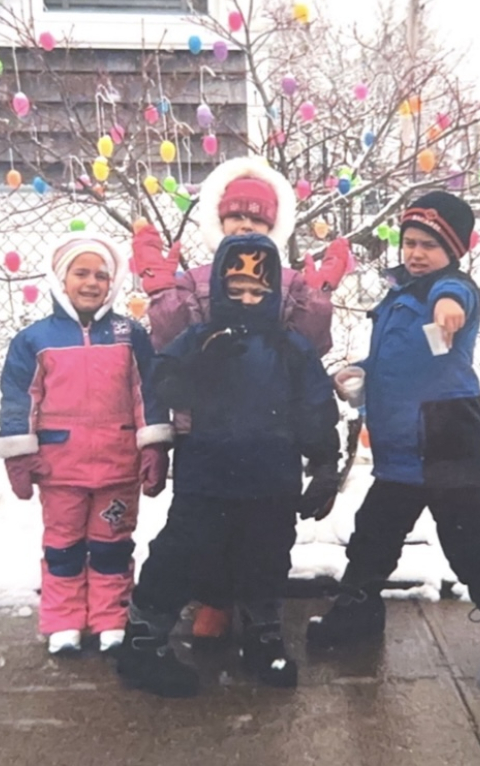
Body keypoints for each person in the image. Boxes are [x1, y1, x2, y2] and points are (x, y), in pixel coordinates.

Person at [305, 191, 480, 696]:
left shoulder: (451, 289)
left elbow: (456, 296)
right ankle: (360, 610)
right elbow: (398, 360)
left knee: (470, 542)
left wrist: (448, 303)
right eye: (409, 242)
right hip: (398, 445)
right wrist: (360, 371)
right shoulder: (398, 295)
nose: (415, 253)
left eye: (428, 245)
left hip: (448, 437)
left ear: (452, 248)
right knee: (373, 534)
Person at [131, 156, 349, 644]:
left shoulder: (290, 283)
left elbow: (310, 355)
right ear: (219, 219)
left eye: (257, 219)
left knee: (263, 541)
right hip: (205, 432)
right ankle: (209, 605)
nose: (247, 225)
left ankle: (261, 621)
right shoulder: (196, 279)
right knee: (201, 533)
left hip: (271, 437)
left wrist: (319, 293)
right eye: (238, 217)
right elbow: (168, 347)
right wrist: (164, 290)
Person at [114, 233, 342, 698]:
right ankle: (143, 639)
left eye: (257, 293)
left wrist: (324, 462)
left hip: (271, 478)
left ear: (274, 296)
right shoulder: (200, 338)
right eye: (235, 291)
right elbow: (166, 382)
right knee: (181, 554)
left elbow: (315, 405)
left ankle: (263, 634)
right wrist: (197, 366)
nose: (246, 301)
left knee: (267, 556)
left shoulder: (289, 346)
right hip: (207, 475)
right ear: (218, 292)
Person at [0, 232, 173, 656]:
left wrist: (153, 445)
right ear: (61, 279)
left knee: (112, 545)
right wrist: (19, 453)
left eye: (101, 275)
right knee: (63, 545)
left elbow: (147, 392)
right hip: (60, 469)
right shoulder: (34, 340)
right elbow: (19, 399)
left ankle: (111, 618)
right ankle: (64, 620)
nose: (92, 283)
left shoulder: (128, 334)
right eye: (81, 273)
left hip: (118, 466)